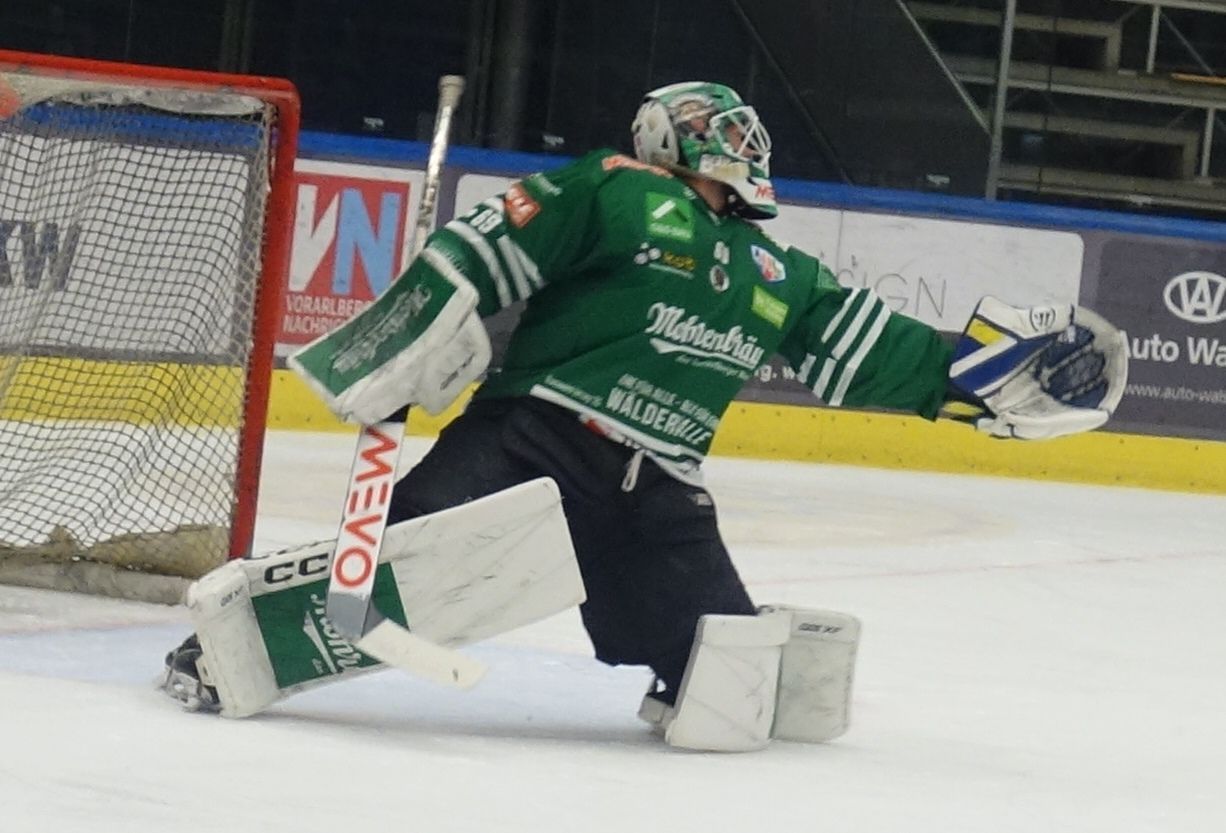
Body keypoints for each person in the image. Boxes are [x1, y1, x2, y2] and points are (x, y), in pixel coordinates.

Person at [163, 81, 1123, 746]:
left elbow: (879, 353)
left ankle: (674, 659)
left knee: (725, 684)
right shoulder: (615, 191)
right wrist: (418, 327)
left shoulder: (784, 272)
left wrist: (978, 378)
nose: (740, 138)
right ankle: (218, 649)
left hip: (658, 488)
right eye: (714, 122)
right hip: (537, 438)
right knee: (402, 567)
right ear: (671, 137)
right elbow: (483, 246)